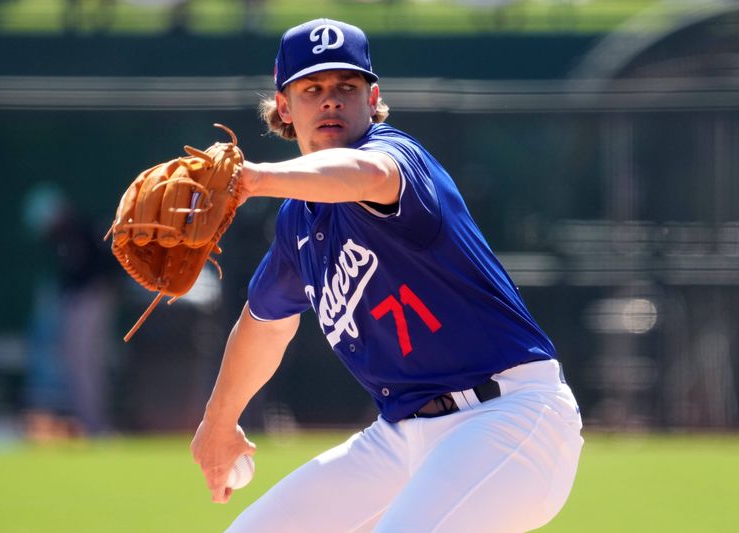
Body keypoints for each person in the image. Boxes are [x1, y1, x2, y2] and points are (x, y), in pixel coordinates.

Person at [190, 18, 583, 532]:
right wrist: (218, 424)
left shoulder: (397, 155)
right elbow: (265, 323)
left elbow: (368, 176)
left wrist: (256, 178)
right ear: (284, 107)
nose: (330, 100)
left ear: (372, 98)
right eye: (312, 88)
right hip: (404, 437)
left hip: (509, 417)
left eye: (345, 87)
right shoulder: (297, 226)